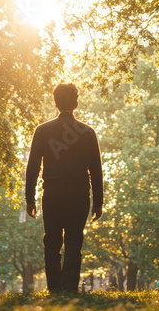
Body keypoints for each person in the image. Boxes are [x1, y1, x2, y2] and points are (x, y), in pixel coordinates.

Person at [25, 82, 103, 293]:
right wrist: (98, 203)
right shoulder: (88, 133)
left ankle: (54, 287)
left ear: (55, 103)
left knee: (51, 241)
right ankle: (69, 287)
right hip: (78, 197)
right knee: (74, 241)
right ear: (76, 103)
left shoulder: (42, 131)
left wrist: (30, 199)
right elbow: (96, 170)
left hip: (52, 195)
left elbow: (32, 167)